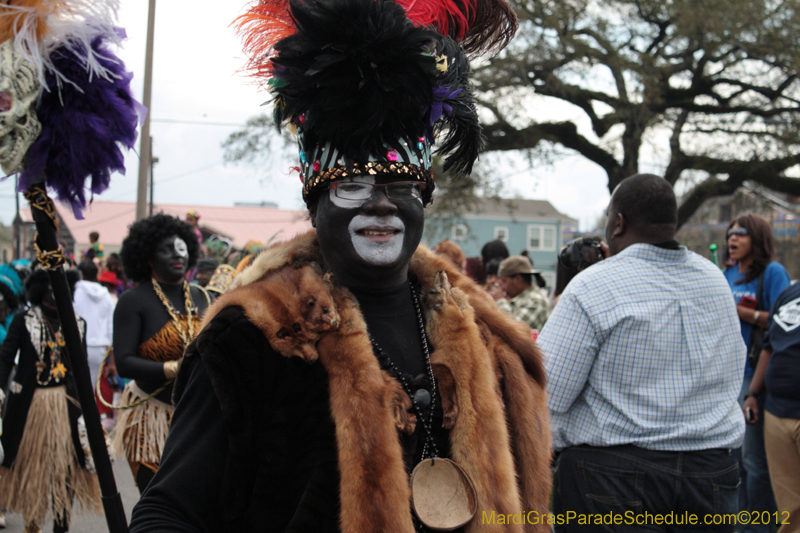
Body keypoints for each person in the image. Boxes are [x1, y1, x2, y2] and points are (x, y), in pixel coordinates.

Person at [129, 0, 552, 530]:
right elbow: (169, 510)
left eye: (401, 188)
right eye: (353, 188)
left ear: (423, 200)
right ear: (316, 204)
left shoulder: (483, 331)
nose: (381, 204)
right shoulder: (253, 337)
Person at [539, 174, 745, 529]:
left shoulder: (593, 285)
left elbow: (546, 391)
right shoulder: (714, 279)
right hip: (712, 470)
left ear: (618, 223)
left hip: (614, 477)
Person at [111, 214, 209, 495]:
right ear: (149, 258)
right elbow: (125, 363)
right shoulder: (133, 301)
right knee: (157, 499)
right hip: (149, 419)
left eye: (181, 248)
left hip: (194, 416)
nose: (177, 255)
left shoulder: (203, 297)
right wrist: (174, 368)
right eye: (166, 249)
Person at [0, 269, 101, 533]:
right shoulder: (24, 320)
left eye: (63, 287)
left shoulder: (77, 323)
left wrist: (88, 409)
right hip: (28, 409)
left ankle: (61, 525)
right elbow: (5, 358)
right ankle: (32, 523)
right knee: (29, 469)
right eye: (52, 287)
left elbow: (81, 372)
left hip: (67, 408)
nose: (58, 293)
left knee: (65, 469)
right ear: (39, 290)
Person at [723, 213, 790, 529]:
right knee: (733, 460)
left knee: (754, 460)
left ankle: (759, 526)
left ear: (758, 238)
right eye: (730, 233)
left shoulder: (772, 273)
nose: (732, 239)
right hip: (726, 375)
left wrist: (743, 312)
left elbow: (784, 322)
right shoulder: (726, 274)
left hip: (754, 375)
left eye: (741, 233)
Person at [743, 281, 800, 532]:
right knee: (790, 506)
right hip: (777, 413)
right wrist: (753, 393)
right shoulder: (789, 293)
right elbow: (768, 347)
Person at [490, 255, 550, 331]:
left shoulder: (535, 300)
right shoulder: (523, 298)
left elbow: (513, 330)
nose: (502, 287)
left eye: (504, 281)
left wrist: (500, 300)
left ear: (518, 279)